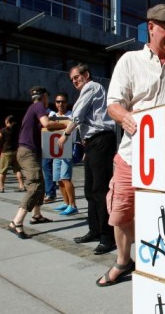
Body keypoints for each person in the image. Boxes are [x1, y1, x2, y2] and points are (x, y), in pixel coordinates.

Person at [98, 3, 165, 287]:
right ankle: (123, 261)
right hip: (131, 155)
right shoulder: (129, 61)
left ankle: (163, 260)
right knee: (121, 214)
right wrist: (128, 119)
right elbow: (113, 104)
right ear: (150, 26)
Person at [58, 63, 116, 254]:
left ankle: (108, 237)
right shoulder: (87, 90)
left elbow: (77, 115)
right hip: (92, 143)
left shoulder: (92, 87)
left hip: (101, 140)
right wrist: (84, 144)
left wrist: (65, 135)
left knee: (100, 190)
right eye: (72, 79)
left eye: (77, 76)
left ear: (87, 74)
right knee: (90, 190)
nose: (75, 81)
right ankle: (95, 230)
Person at [6, 86, 66, 239]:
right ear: (44, 96)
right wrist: (67, 125)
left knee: (41, 184)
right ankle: (16, 221)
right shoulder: (38, 106)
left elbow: (47, 124)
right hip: (28, 152)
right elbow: (47, 124)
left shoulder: (32, 108)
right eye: (48, 98)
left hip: (28, 151)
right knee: (35, 186)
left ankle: (36, 215)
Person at [50, 93, 78, 215]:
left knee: (66, 178)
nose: (60, 104)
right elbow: (47, 127)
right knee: (58, 179)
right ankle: (66, 203)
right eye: (58, 101)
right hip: (54, 150)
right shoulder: (52, 115)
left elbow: (74, 128)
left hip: (67, 149)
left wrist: (58, 125)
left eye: (63, 101)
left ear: (67, 103)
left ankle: (73, 205)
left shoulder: (71, 115)